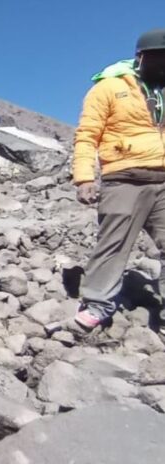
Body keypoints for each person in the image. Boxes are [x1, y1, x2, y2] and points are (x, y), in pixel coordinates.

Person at [73, 28, 165, 332]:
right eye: (159, 56)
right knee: (113, 244)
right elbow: (87, 135)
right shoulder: (109, 87)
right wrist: (84, 177)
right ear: (141, 56)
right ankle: (97, 303)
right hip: (123, 177)